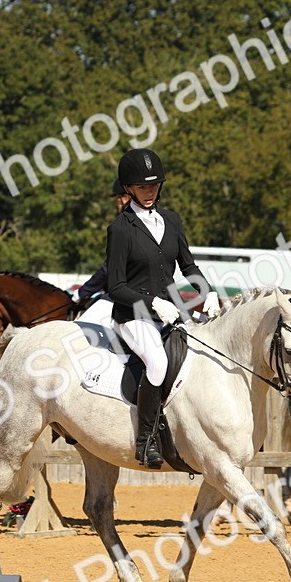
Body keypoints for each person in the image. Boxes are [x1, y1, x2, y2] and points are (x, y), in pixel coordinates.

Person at [106, 148, 220, 468]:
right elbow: (115, 287)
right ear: (129, 189)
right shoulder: (120, 229)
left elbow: (188, 266)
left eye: (154, 186)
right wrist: (151, 302)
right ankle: (146, 440)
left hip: (169, 313)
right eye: (142, 187)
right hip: (133, 316)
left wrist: (206, 292)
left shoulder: (171, 220)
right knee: (156, 361)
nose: (149, 192)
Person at [73, 178, 131, 303]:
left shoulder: (124, 224)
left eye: (118, 198)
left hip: (127, 297)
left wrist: (81, 293)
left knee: (84, 321)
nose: (117, 202)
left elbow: (109, 268)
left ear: (125, 197)